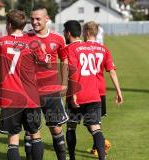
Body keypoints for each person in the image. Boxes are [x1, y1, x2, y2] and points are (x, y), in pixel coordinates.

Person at [0, 9, 50, 160]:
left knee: (13, 140)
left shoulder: (1, 42)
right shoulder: (33, 42)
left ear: (9, 24)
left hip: (10, 97)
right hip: (30, 97)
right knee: (35, 135)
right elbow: (46, 64)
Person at [24, 5, 69, 160]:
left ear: (47, 18)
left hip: (51, 91)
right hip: (30, 92)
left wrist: (64, 83)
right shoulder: (25, 37)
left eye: (38, 19)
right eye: (32, 19)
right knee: (31, 130)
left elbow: (64, 60)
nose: (34, 22)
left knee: (56, 129)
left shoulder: (58, 38)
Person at [62, 20, 106, 160]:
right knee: (95, 128)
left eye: (64, 31)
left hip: (77, 95)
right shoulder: (90, 48)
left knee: (71, 127)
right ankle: (102, 158)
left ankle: (72, 157)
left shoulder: (68, 49)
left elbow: (73, 71)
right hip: (93, 94)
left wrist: (73, 92)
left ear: (68, 33)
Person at [83, 21, 123, 156]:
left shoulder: (82, 48)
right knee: (94, 122)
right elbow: (112, 71)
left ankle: (101, 145)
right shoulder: (104, 49)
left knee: (91, 123)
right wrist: (118, 91)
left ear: (87, 32)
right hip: (100, 90)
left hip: (87, 89)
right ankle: (98, 145)